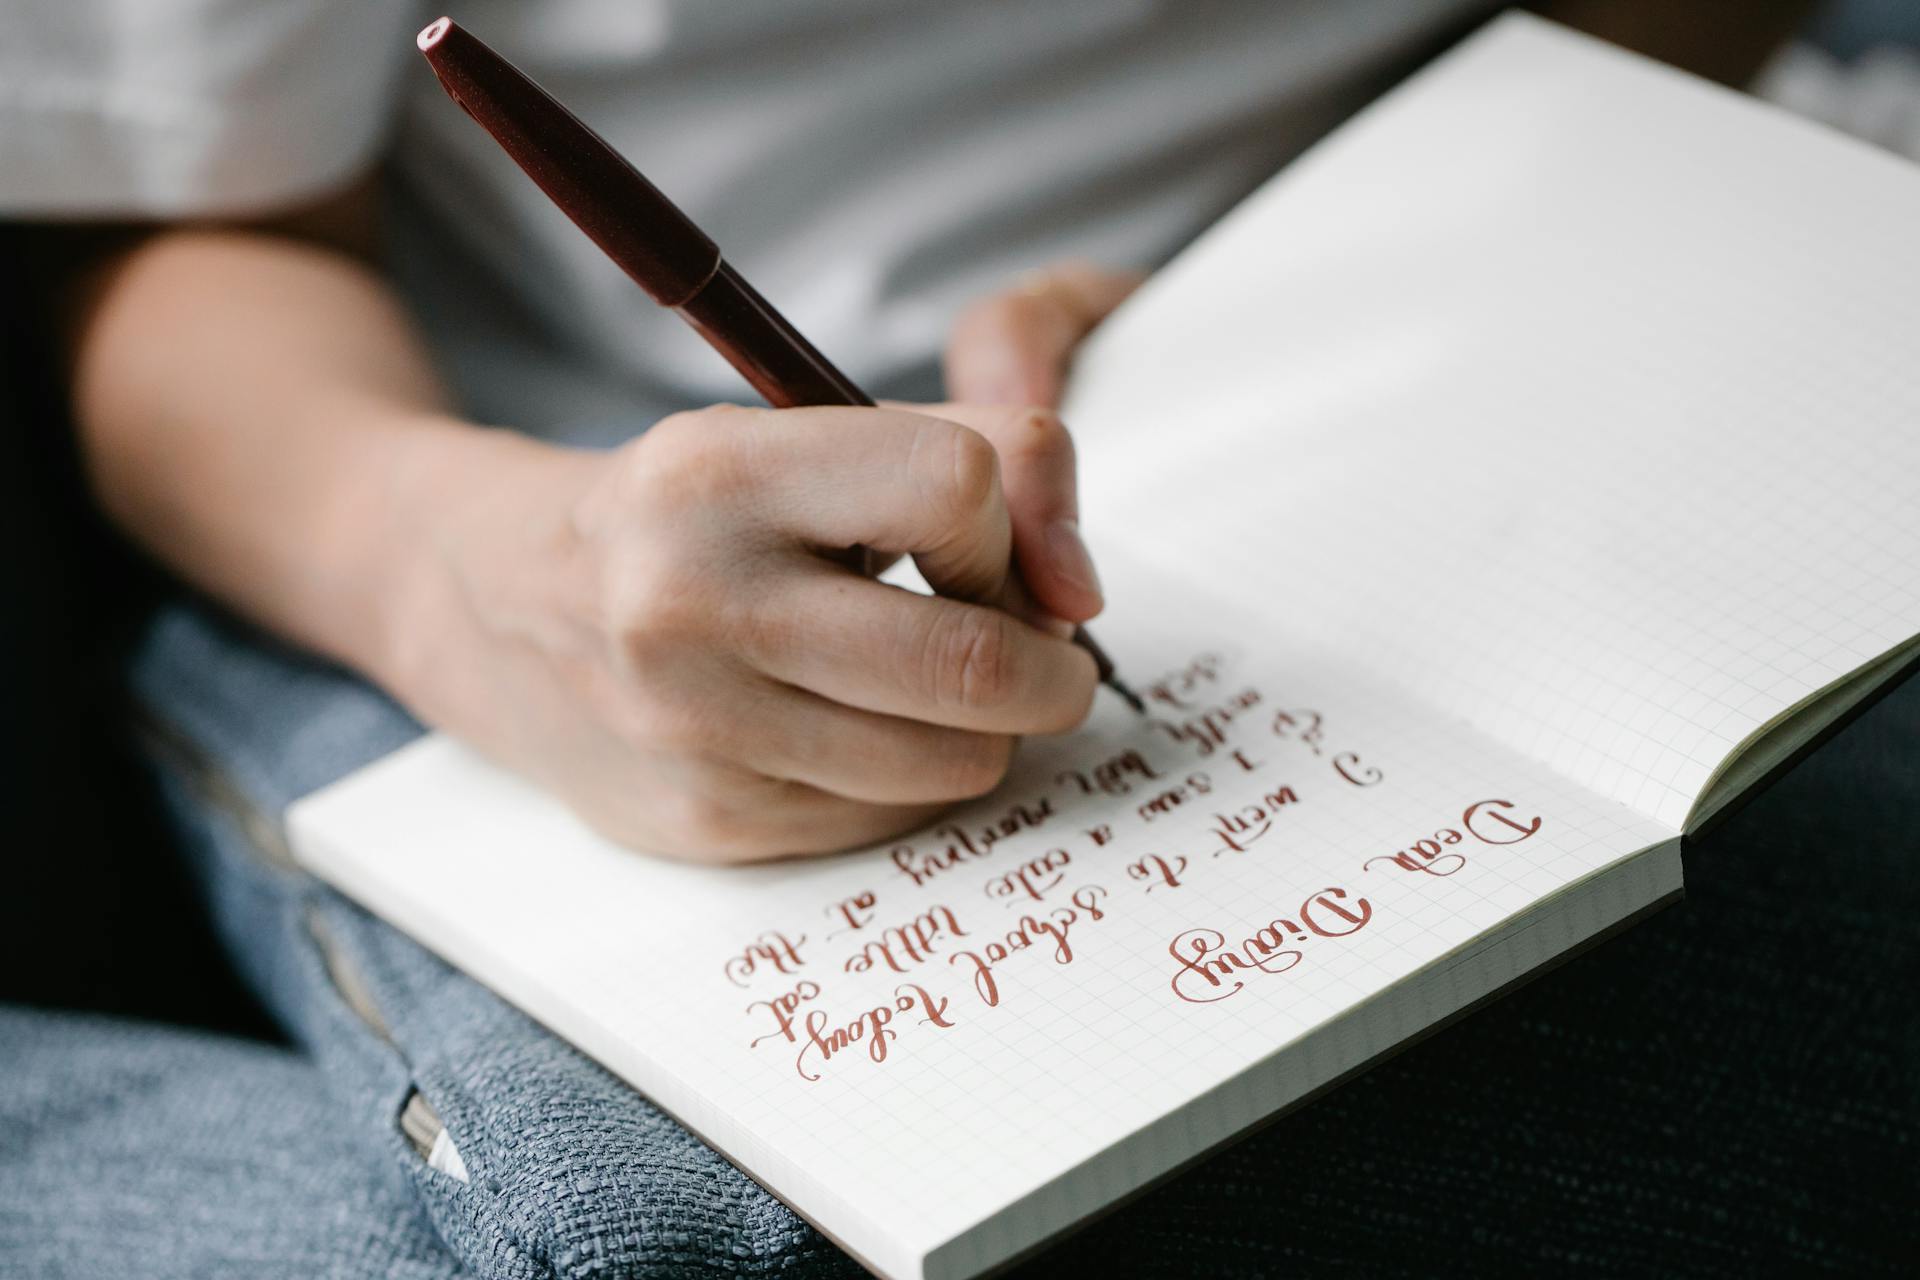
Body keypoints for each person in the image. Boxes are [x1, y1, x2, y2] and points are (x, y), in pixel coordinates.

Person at [14, 3, 1910, 1278]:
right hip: (610, 532)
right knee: (714, 1224)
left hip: (1566, 280)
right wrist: (466, 570)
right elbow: (177, 232)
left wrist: (1340, 246)